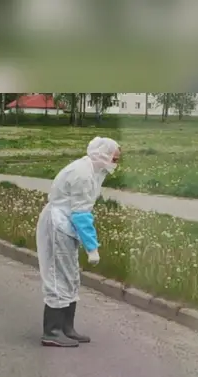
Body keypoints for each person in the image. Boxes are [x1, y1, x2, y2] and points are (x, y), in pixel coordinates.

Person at [36, 137, 121, 347]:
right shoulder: (82, 173)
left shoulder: (93, 170)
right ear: (103, 154)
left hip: (67, 224)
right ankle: (52, 331)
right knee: (59, 276)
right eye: (114, 158)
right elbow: (81, 213)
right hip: (59, 223)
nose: (115, 163)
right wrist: (92, 247)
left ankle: (67, 328)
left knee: (71, 275)